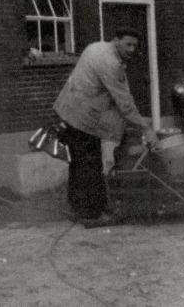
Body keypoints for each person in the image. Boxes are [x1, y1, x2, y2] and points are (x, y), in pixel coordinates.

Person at [54, 27, 156, 225]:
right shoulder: (110, 63)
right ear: (116, 40)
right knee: (90, 165)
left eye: (135, 45)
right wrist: (146, 126)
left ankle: (78, 207)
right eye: (128, 44)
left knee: (78, 163)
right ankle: (92, 214)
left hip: (69, 111)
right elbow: (124, 102)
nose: (132, 49)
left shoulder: (96, 47)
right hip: (82, 119)